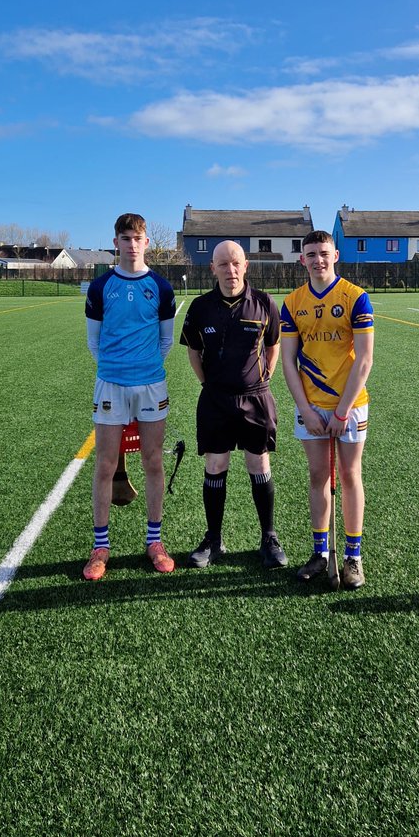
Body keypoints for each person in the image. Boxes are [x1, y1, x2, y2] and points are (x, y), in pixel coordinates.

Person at [180, 240, 287, 569]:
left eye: (235, 263)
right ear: (212, 268)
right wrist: (206, 384)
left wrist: (264, 376)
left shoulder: (265, 303)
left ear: (246, 266)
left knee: (259, 464)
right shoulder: (200, 308)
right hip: (215, 399)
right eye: (223, 264)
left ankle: (268, 538)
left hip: (255, 398)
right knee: (215, 465)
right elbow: (194, 352)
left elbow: (274, 344)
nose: (230, 270)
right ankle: (213, 539)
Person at [82, 212, 177, 580]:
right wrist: (117, 369)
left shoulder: (162, 287)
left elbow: (165, 340)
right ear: (116, 242)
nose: (132, 244)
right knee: (106, 464)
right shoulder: (100, 287)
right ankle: (100, 547)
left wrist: (144, 367)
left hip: (152, 384)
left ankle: (154, 541)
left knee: (153, 461)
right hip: (110, 385)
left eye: (138, 238)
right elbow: (94, 341)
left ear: (146, 243)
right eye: (125, 238)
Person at [280, 230, 374, 590]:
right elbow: (288, 362)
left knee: (350, 476)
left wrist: (340, 412)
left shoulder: (355, 298)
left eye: (324, 252)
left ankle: (353, 557)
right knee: (318, 476)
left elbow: (364, 360)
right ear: (302, 260)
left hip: (349, 407)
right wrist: (305, 408)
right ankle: (321, 554)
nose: (318, 259)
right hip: (311, 408)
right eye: (311, 254)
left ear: (335, 255)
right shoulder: (292, 303)